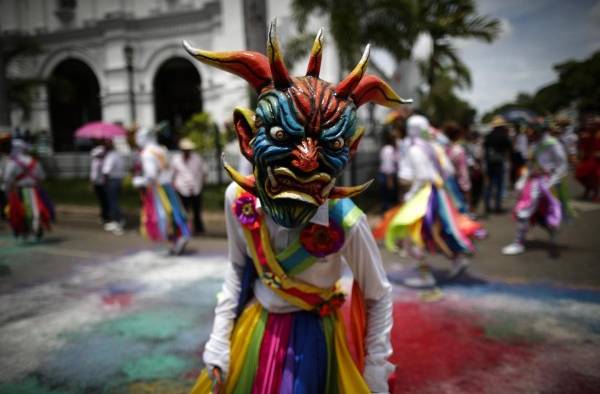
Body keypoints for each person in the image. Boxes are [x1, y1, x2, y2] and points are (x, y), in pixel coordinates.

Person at [184, 20, 412, 393]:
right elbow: (237, 269)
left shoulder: (347, 221)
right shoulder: (238, 200)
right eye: (281, 136)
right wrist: (219, 341)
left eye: (326, 147)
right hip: (256, 327)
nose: (306, 160)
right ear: (246, 137)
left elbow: (378, 294)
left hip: (316, 339)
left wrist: (374, 366)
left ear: (347, 150)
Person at [381, 114, 475, 288]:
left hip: (423, 196)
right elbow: (448, 170)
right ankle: (455, 259)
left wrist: (412, 195)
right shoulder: (432, 147)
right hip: (436, 193)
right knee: (430, 233)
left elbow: (422, 176)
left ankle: (428, 275)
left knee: (414, 238)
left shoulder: (415, 149)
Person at [502, 121, 568, 255]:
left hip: (542, 183)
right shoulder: (536, 143)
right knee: (538, 212)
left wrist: (552, 181)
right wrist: (522, 180)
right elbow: (531, 165)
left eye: (530, 130)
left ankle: (518, 243)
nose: (527, 133)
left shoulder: (552, 143)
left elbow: (562, 165)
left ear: (538, 131)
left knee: (523, 211)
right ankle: (550, 234)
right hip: (533, 181)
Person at [133, 126, 190, 255]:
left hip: (158, 189)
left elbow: (151, 176)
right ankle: (180, 237)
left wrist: (138, 181)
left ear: (143, 138)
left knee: (161, 216)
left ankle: (175, 240)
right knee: (174, 212)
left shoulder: (147, 153)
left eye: (138, 137)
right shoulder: (161, 149)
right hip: (168, 185)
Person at [2, 138, 54, 239]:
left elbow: (7, 179)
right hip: (34, 189)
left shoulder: (11, 163)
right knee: (37, 208)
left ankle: (24, 229)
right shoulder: (33, 161)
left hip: (19, 190)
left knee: (18, 211)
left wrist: (7, 191)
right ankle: (36, 227)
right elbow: (42, 176)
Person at [171, 137, 208, 234]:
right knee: (182, 211)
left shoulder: (197, 158)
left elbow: (204, 172)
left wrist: (202, 183)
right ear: (182, 150)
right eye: (185, 150)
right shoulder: (176, 160)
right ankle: (182, 229)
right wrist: (174, 186)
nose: (187, 152)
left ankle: (198, 229)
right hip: (182, 189)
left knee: (197, 211)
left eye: (188, 150)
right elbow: (172, 174)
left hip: (196, 188)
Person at [483, 116, 513, 214]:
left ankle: (487, 206)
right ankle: (497, 206)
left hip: (489, 163)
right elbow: (510, 148)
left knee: (489, 185)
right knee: (499, 185)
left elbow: (484, 148)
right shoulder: (504, 136)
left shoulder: (488, 136)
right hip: (499, 163)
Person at [444, 122, 471, 213]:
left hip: (443, 187)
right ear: (458, 135)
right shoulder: (458, 150)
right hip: (456, 186)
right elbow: (463, 173)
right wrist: (466, 190)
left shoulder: (442, 148)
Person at [101, 138, 126, 235]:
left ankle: (117, 223)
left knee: (112, 203)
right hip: (118, 180)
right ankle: (119, 220)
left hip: (112, 181)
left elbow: (106, 171)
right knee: (115, 201)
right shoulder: (117, 154)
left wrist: (104, 180)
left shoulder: (110, 156)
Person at [378, 129, 398, 213]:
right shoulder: (389, 150)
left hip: (385, 175)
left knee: (386, 197)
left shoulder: (387, 149)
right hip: (387, 176)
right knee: (388, 198)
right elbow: (388, 166)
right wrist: (390, 180)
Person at [89, 141, 109, 225]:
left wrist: (92, 184)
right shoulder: (98, 162)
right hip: (100, 184)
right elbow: (94, 175)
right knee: (104, 201)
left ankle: (104, 216)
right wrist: (92, 184)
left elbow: (94, 175)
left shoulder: (97, 162)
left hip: (100, 184)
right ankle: (104, 217)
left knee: (103, 201)